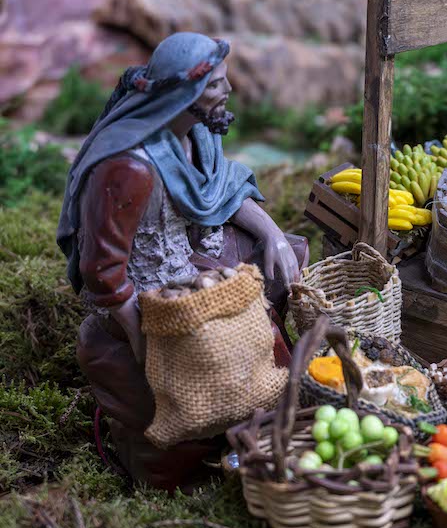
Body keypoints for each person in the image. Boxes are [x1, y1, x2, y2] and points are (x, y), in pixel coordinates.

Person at [57, 32, 309, 491]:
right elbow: (103, 271)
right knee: (239, 327)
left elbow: (222, 187)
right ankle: (232, 426)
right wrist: (142, 338)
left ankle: (267, 411)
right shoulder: (129, 168)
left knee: (290, 254)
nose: (228, 91)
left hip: (192, 250)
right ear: (183, 93)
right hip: (149, 285)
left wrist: (271, 233)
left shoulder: (194, 134)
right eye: (215, 84)